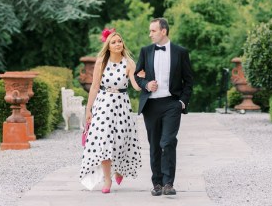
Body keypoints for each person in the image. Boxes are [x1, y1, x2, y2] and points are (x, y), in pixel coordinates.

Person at [134, 17, 194, 196]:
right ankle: (157, 183)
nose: (150, 34)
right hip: (151, 105)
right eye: (150, 31)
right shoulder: (145, 51)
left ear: (163, 31)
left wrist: (181, 103)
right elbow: (137, 75)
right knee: (154, 145)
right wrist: (146, 84)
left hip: (171, 104)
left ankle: (168, 183)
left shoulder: (180, 52)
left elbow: (189, 81)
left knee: (167, 142)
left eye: (153, 31)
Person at [79, 29, 142, 193]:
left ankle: (120, 169)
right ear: (108, 46)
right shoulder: (101, 62)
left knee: (121, 142)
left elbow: (135, 85)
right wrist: (88, 109)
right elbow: (94, 87)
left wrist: (144, 81)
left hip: (121, 106)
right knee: (104, 142)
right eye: (113, 42)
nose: (117, 44)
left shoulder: (129, 63)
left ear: (123, 44)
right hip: (103, 105)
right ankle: (107, 180)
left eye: (119, 41)